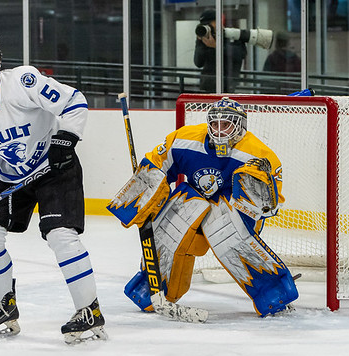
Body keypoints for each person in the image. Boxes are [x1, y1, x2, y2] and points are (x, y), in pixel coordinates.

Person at [0, 32, 106, 345]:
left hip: (52, 168)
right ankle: (4, 305)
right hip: (11, 177)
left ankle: (89, 310)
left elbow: (74, 102)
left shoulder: (22, 81)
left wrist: (66, 139)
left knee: (60, 235)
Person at [107, 98, 299, 317]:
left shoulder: (258, 155)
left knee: (224, 226)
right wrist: (144, 196)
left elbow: (269, 204)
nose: (219, 130)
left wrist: (257, 197)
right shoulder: (184, 139)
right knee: (175, 216)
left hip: (233, 213)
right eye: (215, 124)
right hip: (196, 201)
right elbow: (157, 164)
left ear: (239, 127)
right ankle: (152, 288)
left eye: (225, 124)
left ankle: (274, 292)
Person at [193, 9, 247, 93]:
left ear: (219, 22)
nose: (208, 27)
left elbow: (239, 55)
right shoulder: (205, 38)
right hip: (207, 87)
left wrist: (216, 46)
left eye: (210, 24)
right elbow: (198, 63)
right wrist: (200, 42)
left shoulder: (232, 36)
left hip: (227, 86)